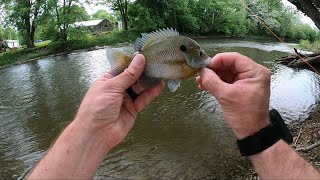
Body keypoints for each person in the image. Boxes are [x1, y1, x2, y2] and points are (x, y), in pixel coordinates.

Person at [28, 53, 320, 179]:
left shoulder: (194, 62)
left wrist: (88, 132)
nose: (202, 57)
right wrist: (89, 129)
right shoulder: (142, 66)